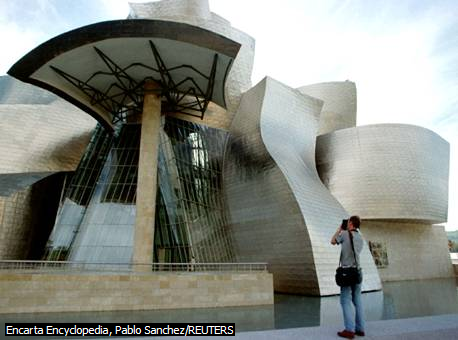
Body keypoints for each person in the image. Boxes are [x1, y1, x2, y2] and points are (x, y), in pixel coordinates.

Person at [331, 215, 365, 339]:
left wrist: (339, 229)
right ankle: (360, 329)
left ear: (350, 223)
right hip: (357, 272)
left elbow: (333, 241)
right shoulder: (360, 237)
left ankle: (349, 330)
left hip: (347, 272)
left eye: (348, 222)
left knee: (345, 300)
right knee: (357, 300)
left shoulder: (345, 234)